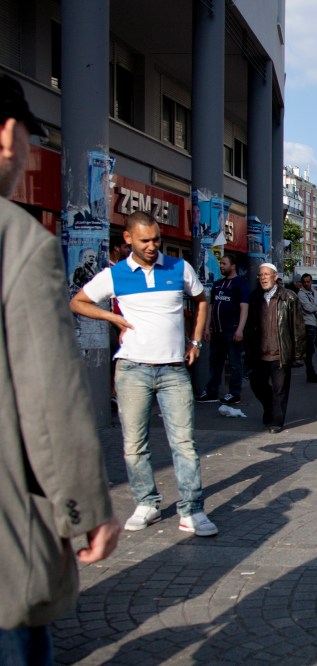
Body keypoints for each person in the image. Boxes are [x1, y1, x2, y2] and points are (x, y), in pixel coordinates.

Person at [0, 72, 121, 664]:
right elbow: (47, 398)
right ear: (6, 136)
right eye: (28, 138)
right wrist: (87, 507)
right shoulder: (17, 242)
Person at [71, 211, 218, 537]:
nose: (152, 246)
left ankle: (192, 511)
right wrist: (115, 320)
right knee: (134, 445)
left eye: (156, 240)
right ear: (128, 239)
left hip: (174, 370)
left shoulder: (179, 268)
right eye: (145, 241)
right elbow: (78, 302)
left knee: (185, 444)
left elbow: (201, 301)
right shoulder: (114, 275)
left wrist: (195, 341)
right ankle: (147, 503)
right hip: (132, 370)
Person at [244, 263, 305, 434]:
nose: (262, 278)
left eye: (266, 274)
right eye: (260, 275)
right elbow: (251, 326)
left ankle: (276, 421)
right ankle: (270, 408)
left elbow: (298, 328)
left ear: (275, 276)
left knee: (280, 389)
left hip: (280, 353)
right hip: (259, 353)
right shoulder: (255, 297)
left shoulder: (289, 297)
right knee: (257, 384)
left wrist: (299, 355)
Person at [197, 253, 251, 404]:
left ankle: (234, 393)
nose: (221, 266)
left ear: (233, 266)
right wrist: (207, 327)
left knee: (234, 363)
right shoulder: (217, 284)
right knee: (215, 362)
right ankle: (212, 392)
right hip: (217, 330)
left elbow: (244, 308)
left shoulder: (241, 285)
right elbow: (211, 307)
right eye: (221, 263)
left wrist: (240, 329)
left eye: (224, 263)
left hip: (232, 329)